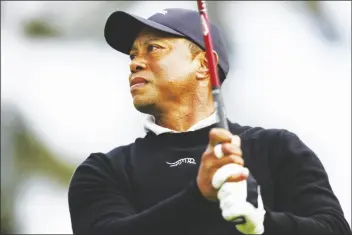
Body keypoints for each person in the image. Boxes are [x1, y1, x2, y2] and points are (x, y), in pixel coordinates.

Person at [68, 8, 352, 235]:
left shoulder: (276, 148)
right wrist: (200, 197)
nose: (134, 63)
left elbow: (334, 229)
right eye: (132, 55)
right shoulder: (104, 170)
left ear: (204, 64)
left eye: (152, 48)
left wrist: (262, 223)